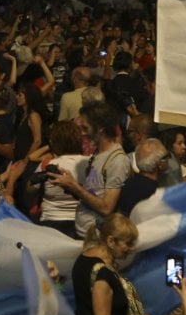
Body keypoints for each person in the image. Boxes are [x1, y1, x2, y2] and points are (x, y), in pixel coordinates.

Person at [48, 101, 129, 242]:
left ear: (101, 129)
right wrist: (69, 185)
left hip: (97, 238)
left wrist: (75, 186)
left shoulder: (117, 161)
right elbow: (93, 193)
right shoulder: (98, 154)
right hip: (83, 232)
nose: (83, 133)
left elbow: (107, 208)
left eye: (86, 128)